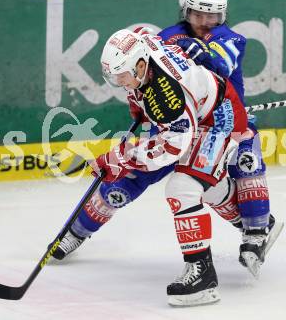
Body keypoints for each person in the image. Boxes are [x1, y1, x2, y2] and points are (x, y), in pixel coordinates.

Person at [86, 28, 248, 305]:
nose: (119, 82)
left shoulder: (166, 94)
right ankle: (252, 220)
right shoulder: (142, 49)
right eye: (113, 77)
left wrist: (118, 160)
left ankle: (203, 276)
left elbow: (173, 147)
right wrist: (140, 105)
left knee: (182, 188)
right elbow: (142, 33)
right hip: (199, 109)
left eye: (122, 76)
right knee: (203, 185)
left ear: (140, 65)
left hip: (219, 120)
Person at [157, 0, 281, 278]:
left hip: (231, 118)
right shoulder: (168, 36)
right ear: (186, 11)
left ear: (222, 16)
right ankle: (251, 221)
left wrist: (200, 53)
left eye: (211, 16)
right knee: (206, 186)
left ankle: (255, 233)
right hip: (194, 127)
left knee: (247, 161)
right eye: (198, 14)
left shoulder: (232, 38)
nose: (204, 21)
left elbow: (222, 64)